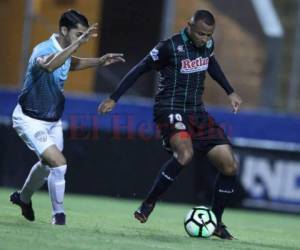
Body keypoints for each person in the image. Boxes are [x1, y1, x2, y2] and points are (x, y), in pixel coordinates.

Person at [98, 10, 242, 239]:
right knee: (185, 154)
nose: (205, 39)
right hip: (170, 109)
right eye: (201, 34)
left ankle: (216, 221)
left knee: (229, 166)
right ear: (189, 26)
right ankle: (149, 203)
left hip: (197, 113)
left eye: (209, 35)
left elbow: (211, 64)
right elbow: (139, 69)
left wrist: (230, 91)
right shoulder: (168, 47)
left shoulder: (207, 44)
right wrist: (114, 97)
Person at [11, 9, 125, 225]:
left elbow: (70, 62)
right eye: (78, 34)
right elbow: (50, 64)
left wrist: (99, 61)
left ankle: (22, 198)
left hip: (53, 121)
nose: (81, 38)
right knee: (59, 164)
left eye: (84, 35)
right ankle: (59, 217)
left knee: (47, 166)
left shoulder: (65, 50)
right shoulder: (42, 50)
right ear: (64, 30)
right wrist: (79, 44)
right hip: (29, 118)